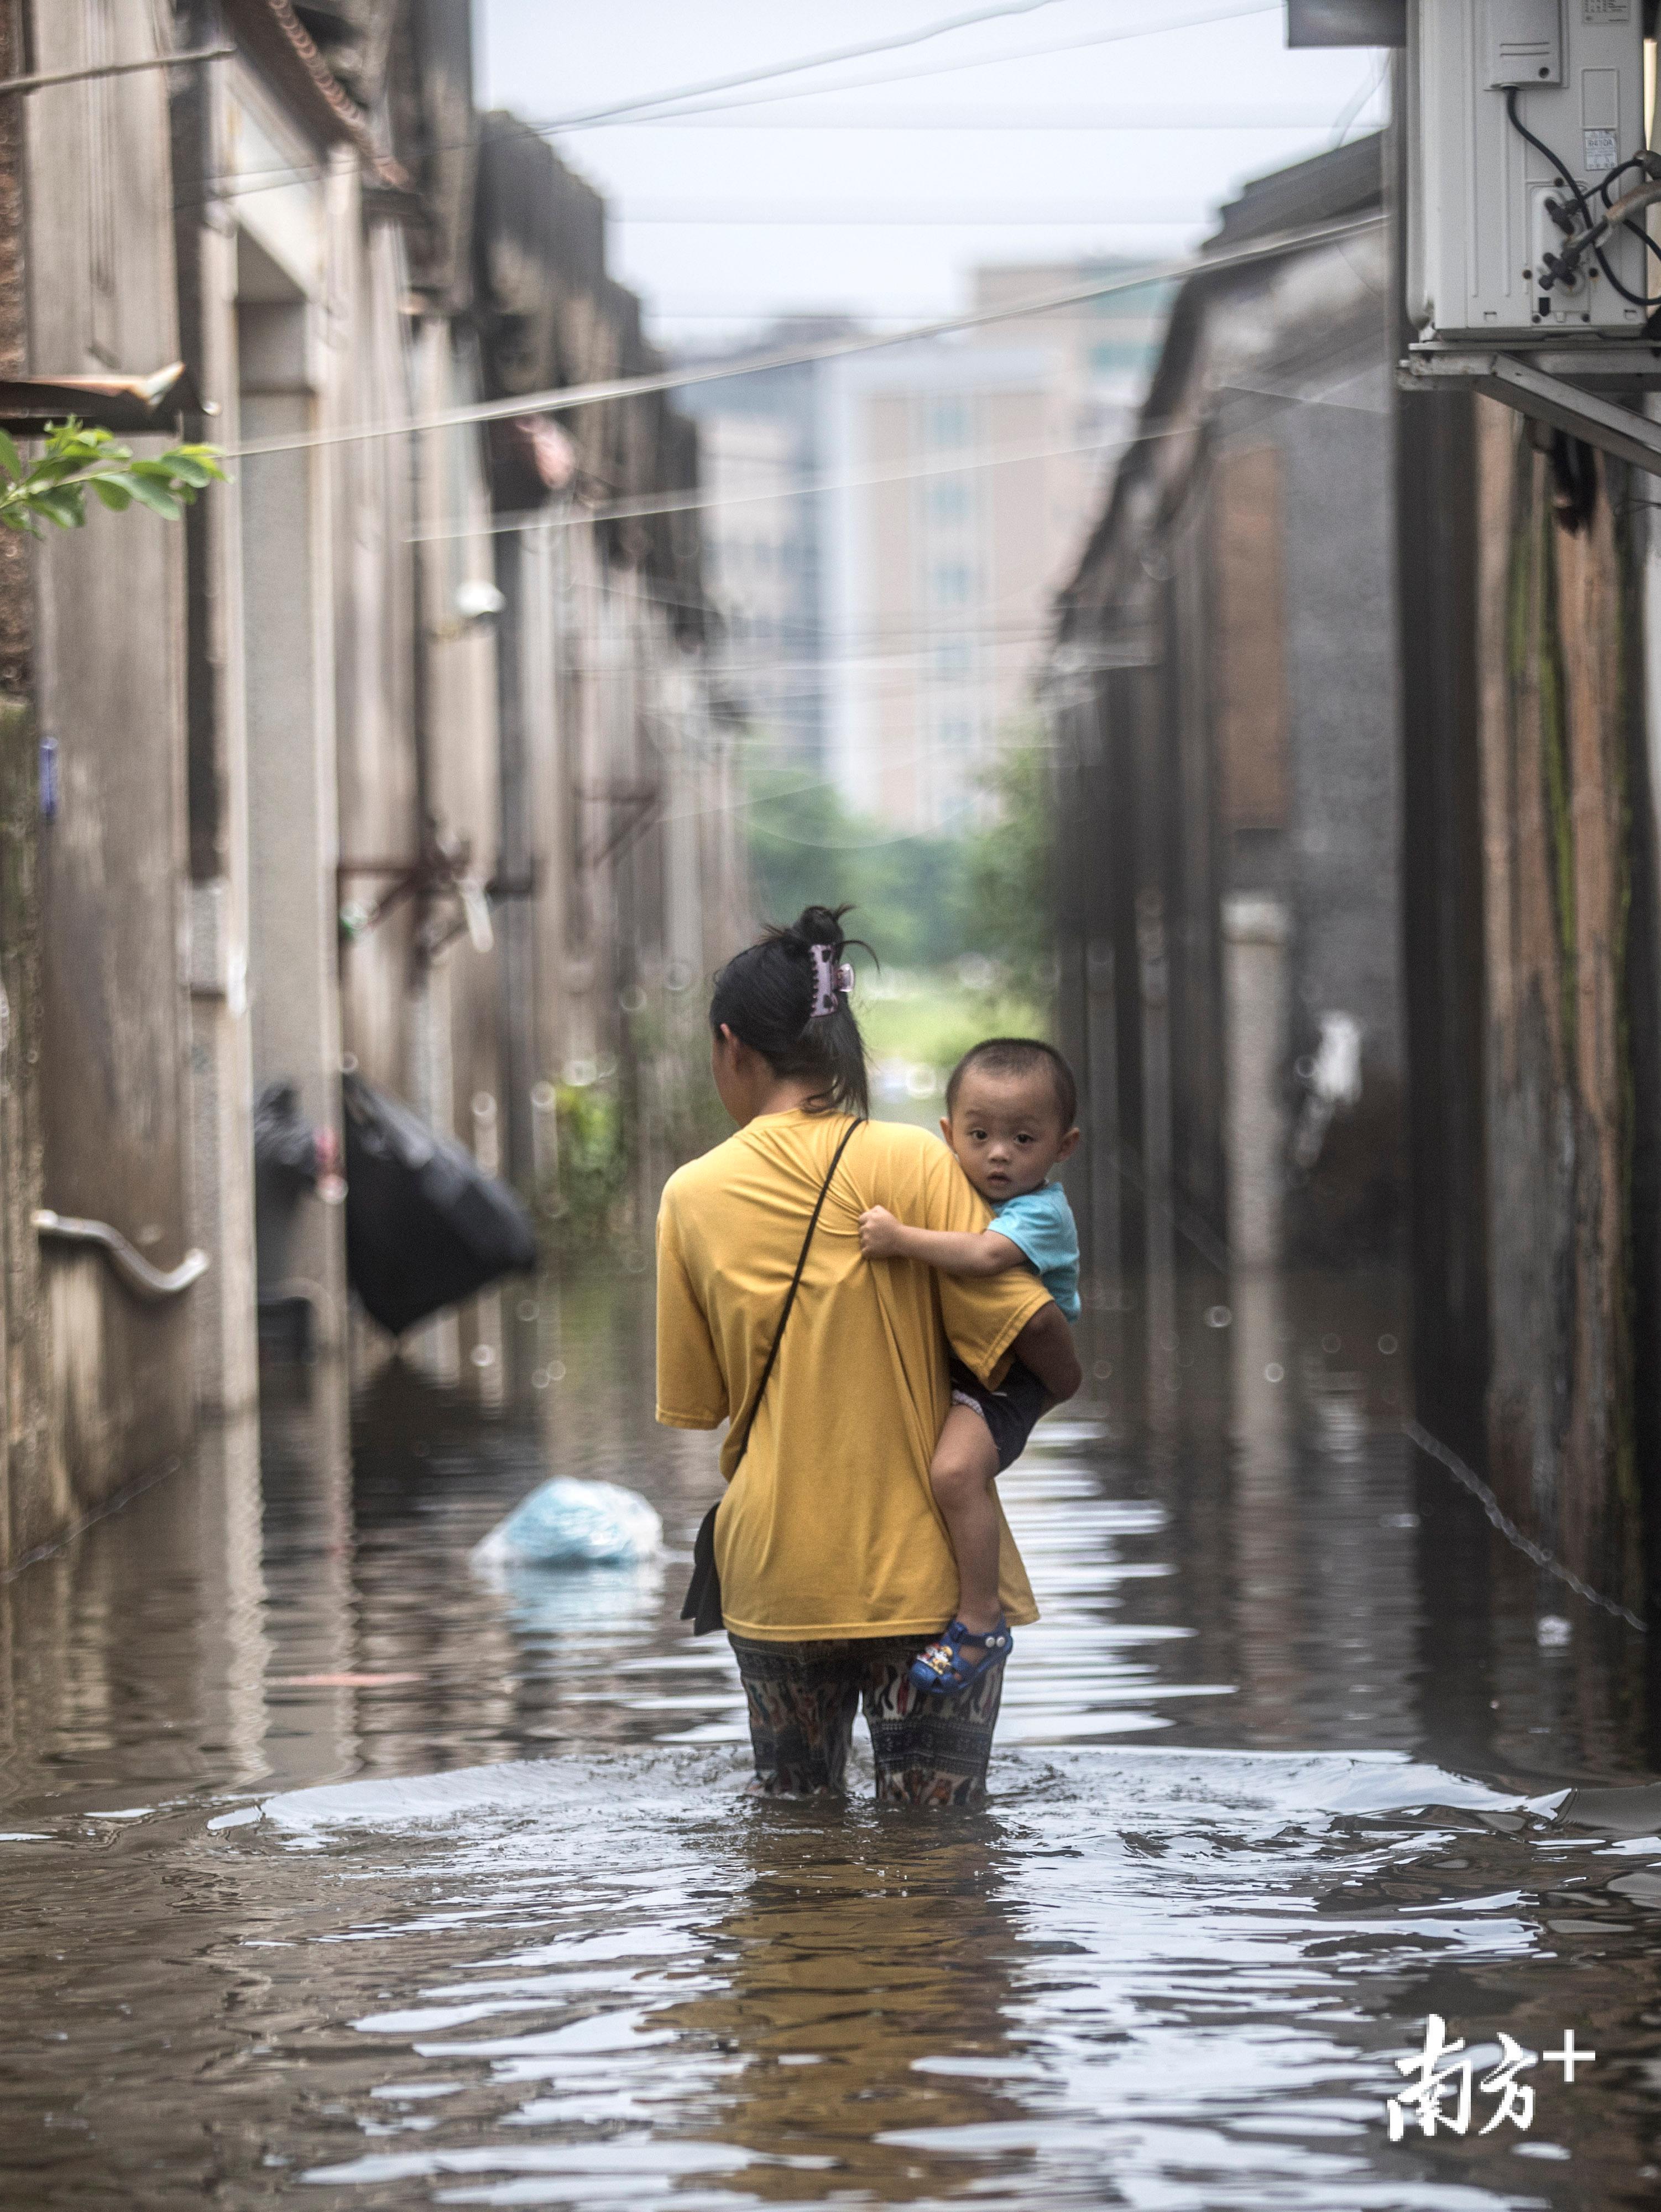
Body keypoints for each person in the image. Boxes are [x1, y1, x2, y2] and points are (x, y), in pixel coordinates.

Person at [655, 907, 1081, 1806]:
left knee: (793, 1849)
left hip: (776, 1577)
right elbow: (1025, 1330)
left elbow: (697, 1403)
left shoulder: (688, 1198)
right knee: (944, 1861)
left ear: (731, 1047)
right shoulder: (918, 1165)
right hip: (927, 1583)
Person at [857, 1039, 1082, 1695]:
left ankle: (981, 1620)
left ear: (1062, 1147)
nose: (999, 1154)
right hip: (972, 1365)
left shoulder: (1041, 1212)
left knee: (955, 1472)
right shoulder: (954, 1188)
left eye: (1023, 1138)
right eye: (979, 1135)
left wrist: (898, 1239)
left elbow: (984, 1258)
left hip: (1015, 1377)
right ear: (949, 1134)